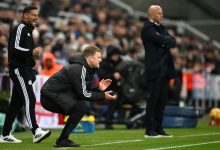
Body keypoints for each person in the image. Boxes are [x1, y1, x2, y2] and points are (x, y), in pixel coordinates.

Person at [40, 45, 117, 147]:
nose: (101, 60)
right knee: (80, 108)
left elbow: (83, 92)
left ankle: (63, 139)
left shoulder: (87, 68)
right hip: (49, 97)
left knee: (80, 107)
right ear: (90, 58)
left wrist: (98, 89)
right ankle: (62, 140)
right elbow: (83, 94)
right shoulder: (79, 68)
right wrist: (103, 96)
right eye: (99, 57)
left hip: (58, 95)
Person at [0, 6, 51, 143]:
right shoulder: (20, 28)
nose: (36, 17)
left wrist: (32, 62)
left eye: (37, 15)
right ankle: (36, 131)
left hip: (25, 70)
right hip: (19, 70)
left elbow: (23, 51)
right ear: (24, 16)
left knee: (15, 105)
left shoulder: (28, 30)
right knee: (30, 98)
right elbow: (14, 48)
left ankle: (5, 134)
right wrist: (31, 53)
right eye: (33, 14)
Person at [141, 5, 176, 138]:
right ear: (152, 14)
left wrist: (165, 41)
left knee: (161, 101)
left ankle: (159, 128)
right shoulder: (147, 28)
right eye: (159, 13)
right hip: (154, 69)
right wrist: (165, 41)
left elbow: (173, 42)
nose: (162, 15)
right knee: (153, 100)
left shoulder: (161, 28)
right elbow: (163, 40)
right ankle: (149, 130)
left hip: (165, 69)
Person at [98, 45, 122, 129]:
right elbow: (102, 76)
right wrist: (113, 75)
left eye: (117, 55)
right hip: (106, 89)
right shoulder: (104, 64)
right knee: (114, 96)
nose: (116, 57)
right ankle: (108, 121)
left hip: (116, 88)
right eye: (114, 55)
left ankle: (120, 118)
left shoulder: (118, 63)